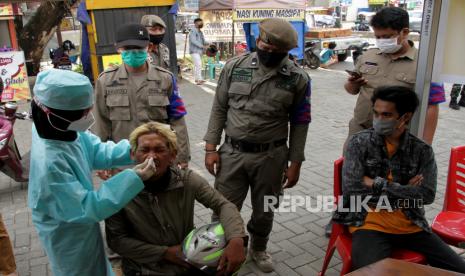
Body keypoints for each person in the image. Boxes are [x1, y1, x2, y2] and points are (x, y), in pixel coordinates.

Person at [203, 18, 311, 272]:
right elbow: (219, 107)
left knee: (264, 210)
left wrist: (296, 163)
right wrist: (210, 147)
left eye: (276, 52)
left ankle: (259, 247)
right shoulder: (235, 67)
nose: (268, 53)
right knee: (223, 208)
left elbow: (300, 122)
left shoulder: (297, 78)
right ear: (258, 40)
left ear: (286, 51)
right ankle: (219, 247)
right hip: (232, 154)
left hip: (271, 157)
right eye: (265, 46)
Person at [28, 69, 157, 276]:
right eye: (82, 114)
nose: (88, 118)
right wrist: (133, 178)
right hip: (67, 231)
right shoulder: (49, 164)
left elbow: (95, 150)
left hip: (80, 223)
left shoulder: (61, 128)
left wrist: (133, 150)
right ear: (56, 115)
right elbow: (88, 207)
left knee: (97, 265)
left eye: (88, 111)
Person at [333, 86, 465, 273]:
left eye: (386, 115)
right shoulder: (359, 143)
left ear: (405, 117)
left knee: (460, 269)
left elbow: (426, 195)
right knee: (372, 273)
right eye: (376, 113)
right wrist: (405, 189)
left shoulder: (422, 151)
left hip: (412, 224)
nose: (378, 120)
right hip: (368, 223)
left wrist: (377, 183)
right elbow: (352, 190)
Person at [105, 122, 247, 276]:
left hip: (186, 263)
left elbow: (222, 204)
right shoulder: (118, 189)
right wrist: (164, 253)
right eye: (144, 150)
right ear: (133, 154)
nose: (152, 156)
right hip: (142, 268)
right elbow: (117, 241)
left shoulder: (187, 180)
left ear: (172, 155)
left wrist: (236, 239)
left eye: (159, 150)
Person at [94, 23, 190, 178]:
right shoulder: (105, 81)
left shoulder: (166, 78)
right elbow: (101, 123)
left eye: (139, 49)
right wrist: (100, 161)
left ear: (149, 47)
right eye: (127, 49)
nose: (133, 53)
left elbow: (177, 120)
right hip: (123, 164)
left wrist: (182, 155)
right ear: (118, 48)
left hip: (159, 161)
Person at [344, 7, 445, 145]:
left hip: (397, 139)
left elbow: (431, 106)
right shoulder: (368, 56)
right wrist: (352, 84)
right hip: (360, 132)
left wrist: (425, 144)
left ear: (405, 32)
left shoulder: (425, 64)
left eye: (387, 36)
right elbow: (351, 90)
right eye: (377, 37)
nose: (381, 41)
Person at [189, 18, 207, 85]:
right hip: (194, 50)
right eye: (200, 22)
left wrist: (209, 43)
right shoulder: (193, 31)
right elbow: (193, 41)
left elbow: (203, 41)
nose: (201, 24)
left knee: (197, 65)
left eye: (202, 22)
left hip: (199, 51)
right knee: (199, 64)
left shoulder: (200, 32)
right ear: (195, 23)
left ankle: (197, 79)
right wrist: (202, 46)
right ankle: (199, 79)